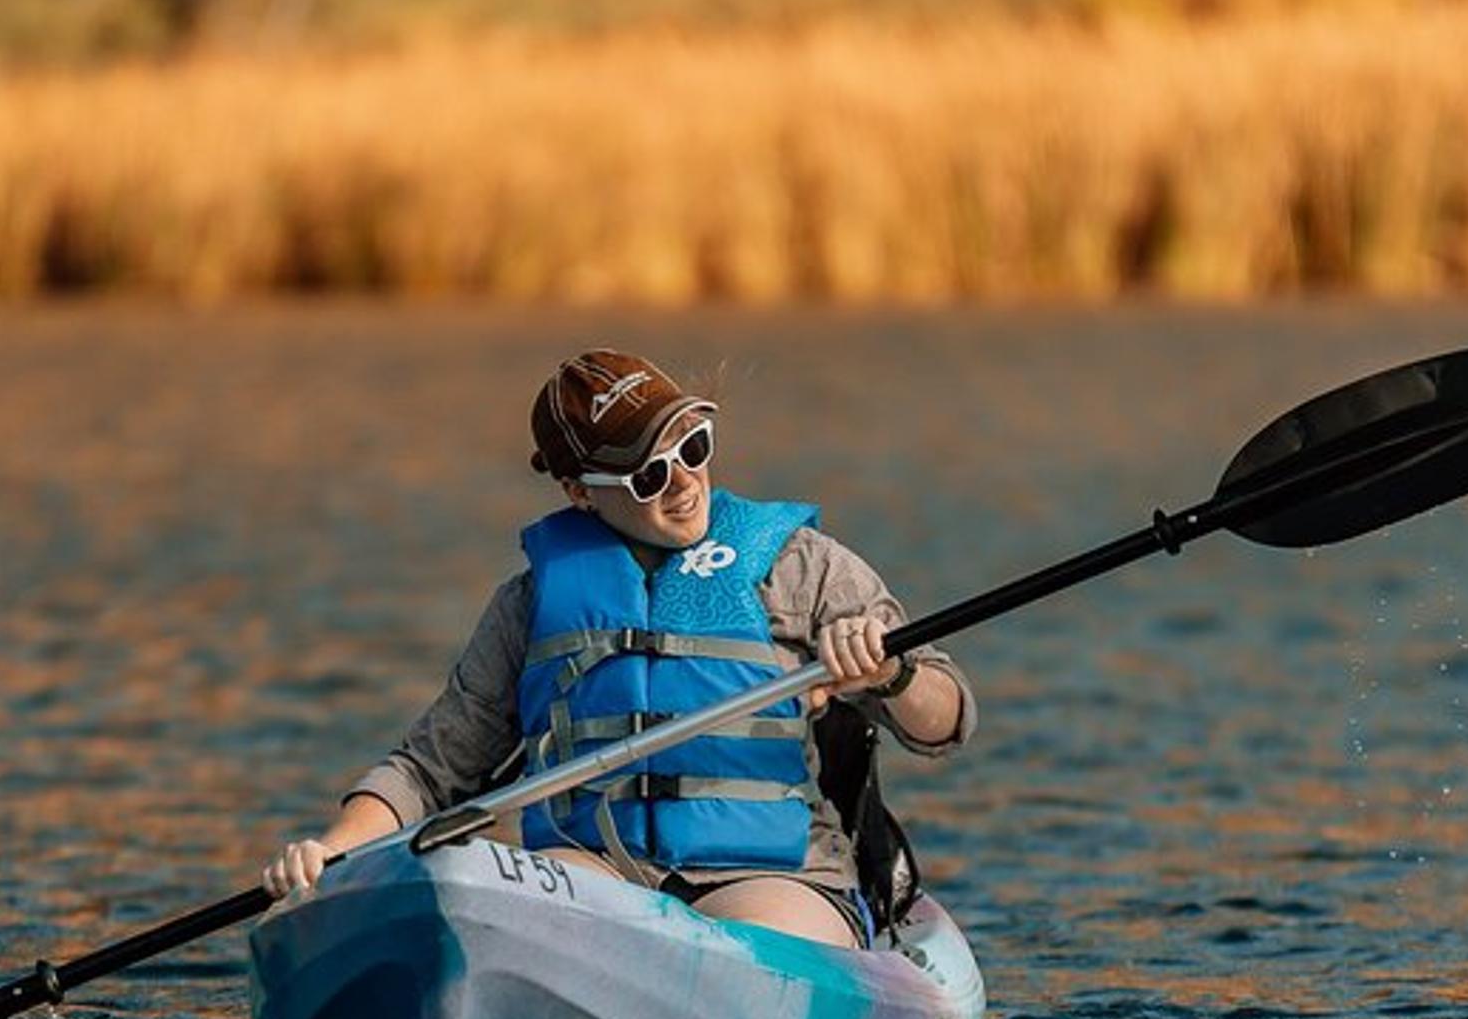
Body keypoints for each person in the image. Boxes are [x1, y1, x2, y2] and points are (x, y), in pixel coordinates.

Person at [262, 350, 973, 948]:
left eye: (692, 447)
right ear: (579, 492)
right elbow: (427, 772)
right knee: (492, 899)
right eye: (649, 474)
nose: (687, 480)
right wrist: (335, 850)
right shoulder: (530, 605)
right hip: (598, 868)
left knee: (750, 942)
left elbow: (946, 719)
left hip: (770, 874)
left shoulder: (801, 565)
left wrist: (890, 672)